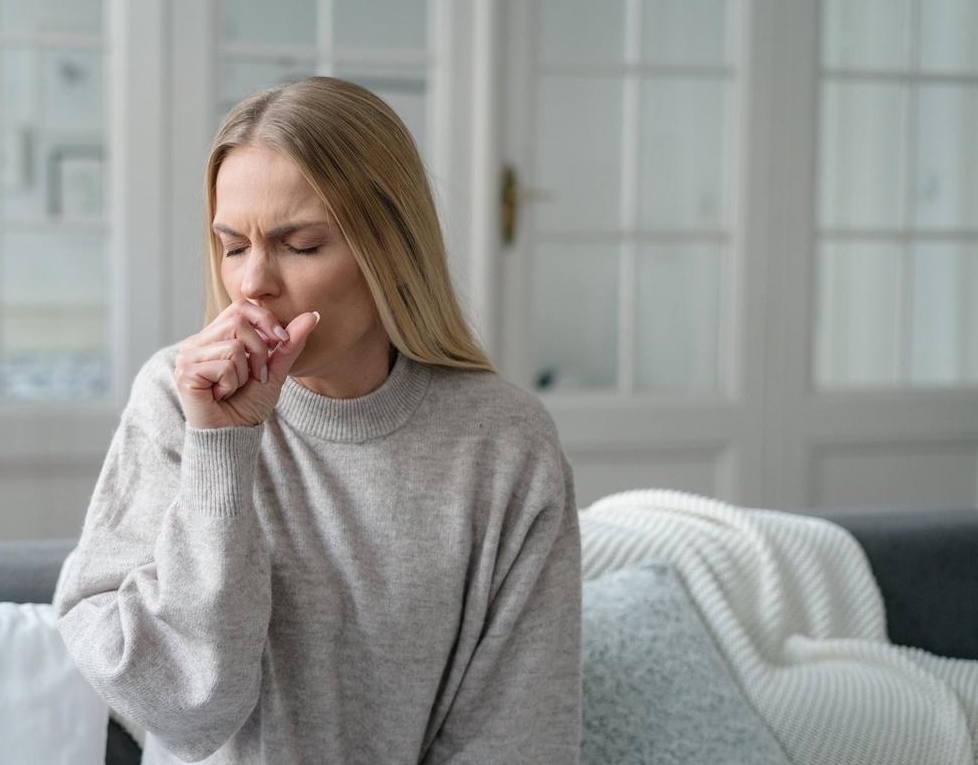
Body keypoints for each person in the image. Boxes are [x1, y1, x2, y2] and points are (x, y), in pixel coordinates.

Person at [52, 76, 582, 765]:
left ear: (390, 251)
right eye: (233, 245)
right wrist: (221, 446)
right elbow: (180, 711)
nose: (252, 284)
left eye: (300, 245)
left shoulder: (505, 443)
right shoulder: (174, 397)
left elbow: (519, 740)